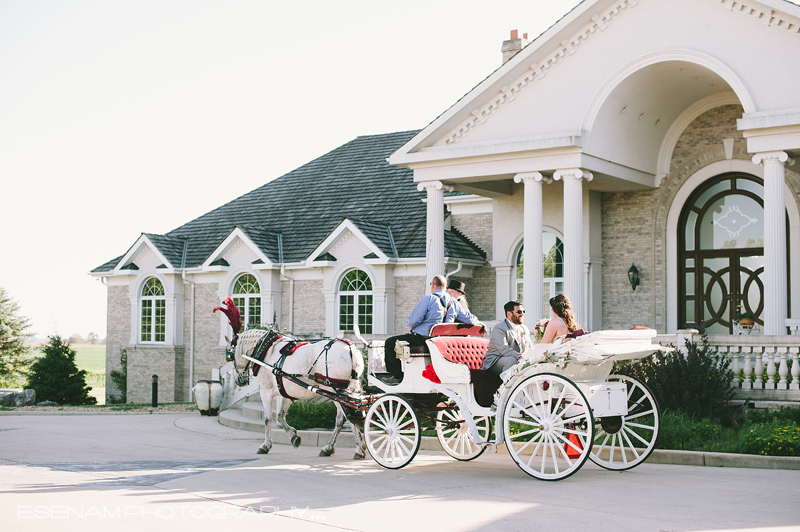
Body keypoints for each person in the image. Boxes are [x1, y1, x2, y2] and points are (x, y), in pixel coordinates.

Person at [382, 275, 480, 384]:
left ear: (433, 285)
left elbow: (413, 321)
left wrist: (410, 328)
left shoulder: (429, 299)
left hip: (423, 339)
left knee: (390, 343)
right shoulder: (454, 302)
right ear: (444, 287)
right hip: (442, 343)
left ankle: (396, 376)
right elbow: (470, 319)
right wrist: (479, 323)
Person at [480, 300, 533, 376]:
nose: (522, 314)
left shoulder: (524, 328)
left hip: (517, 358)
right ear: (509, 314)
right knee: (511, 360)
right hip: (496, 361)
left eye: (523, 311)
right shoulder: (499, 327)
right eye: (519, 312)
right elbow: (504, 349)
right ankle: (507, 386)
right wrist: (521, 358)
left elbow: (530, 348)